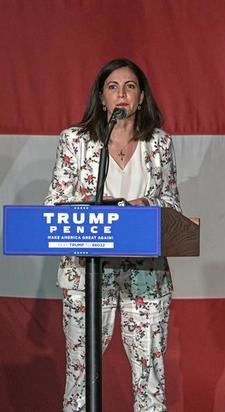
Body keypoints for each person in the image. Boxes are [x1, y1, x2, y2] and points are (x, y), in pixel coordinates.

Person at [44, 58, 181, 411]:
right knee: (81, 375)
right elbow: (56, 202)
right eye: (113, 87)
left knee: (150, 376)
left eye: (130, 86)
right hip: (88, 272)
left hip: (145, 275)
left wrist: (141, 202)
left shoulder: (160, 143)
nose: (121, 94)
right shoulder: (74, 141)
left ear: (141, 97)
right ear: (101, 98)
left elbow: (171, 203)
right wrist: (100, 208)